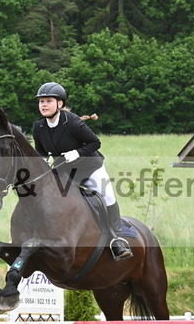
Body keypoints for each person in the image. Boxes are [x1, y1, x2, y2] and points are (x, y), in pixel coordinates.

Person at [32, 82, 133, 260]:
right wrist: (42, 160)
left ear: (60, 103)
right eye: (41, 101)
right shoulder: (39, 127)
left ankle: (117, 239)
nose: (44, 105)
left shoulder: (72, 121)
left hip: (90, 167)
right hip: (65, 172)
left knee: (107, 196)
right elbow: (40, 151)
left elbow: (95, 143)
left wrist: (77, 152)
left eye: (48, 101)